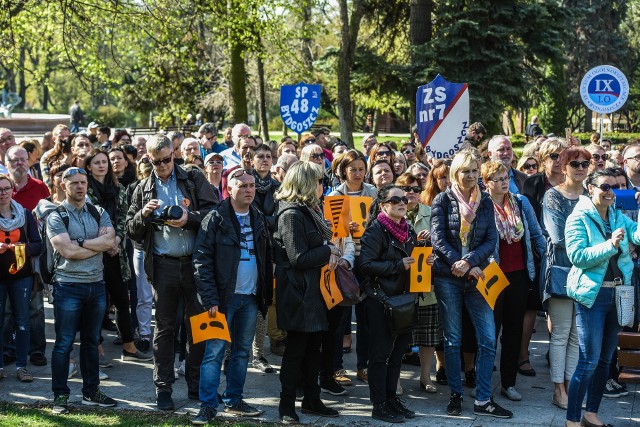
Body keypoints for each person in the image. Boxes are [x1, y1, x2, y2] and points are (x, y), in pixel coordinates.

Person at [126, 134, 218, 410]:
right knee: (164, 329)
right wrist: (143, 214)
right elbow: (130, 228)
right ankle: (163, 387)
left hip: (195, 264)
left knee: (199, 328)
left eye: (168, 159)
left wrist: (188, 219)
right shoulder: (143, 187)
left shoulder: (192, 178)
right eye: (158, 162)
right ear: (149, 160)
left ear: (173, 155)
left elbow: (214, 214)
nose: (164, 165)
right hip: (163, 264)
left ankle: (195, 385)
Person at [431, 150, 512, 418]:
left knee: (488, 339)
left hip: (478, 276)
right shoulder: (442, 199)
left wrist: (471, 261)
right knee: (453, 339)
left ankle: (483, 399)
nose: (471, 175)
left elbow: (491, 238)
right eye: (466, 171)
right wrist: (460, 262)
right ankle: (455, 394)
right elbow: (438, 238)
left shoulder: (485, 201)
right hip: (449, 277)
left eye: (475, 171)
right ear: (456, 172)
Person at [191, 168, 273, 424]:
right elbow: (201, 262)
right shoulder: (215, 218)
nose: (249, 190)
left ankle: (234, 399)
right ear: (230, 188)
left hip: (250, 296)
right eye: (243, 185)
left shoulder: (258, 216)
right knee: (213, 353)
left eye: (252, 185)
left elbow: (266, 256)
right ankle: (207, 405)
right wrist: (210, 299)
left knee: (241, 353)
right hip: (220, 301)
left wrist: (264, 295)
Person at [564, 168, 640, 427]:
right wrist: (610, 245)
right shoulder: (578, 218)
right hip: (592, 296)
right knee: (588, 361)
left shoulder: (618, 216)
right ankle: (572, 419)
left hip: (619, 294)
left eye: (614, 188)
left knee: (605, 361)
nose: (610, 192)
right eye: (605, 187)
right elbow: (577, 257)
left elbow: (639, 237)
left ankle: (591, 414)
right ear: (591, 189)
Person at [273, 161, 340, 423]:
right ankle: (286, 405)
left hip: (313, 290)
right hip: (298, 293)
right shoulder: (291, 214)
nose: (323, 185)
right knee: (296, 350)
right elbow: (298, 257)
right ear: (305, 184)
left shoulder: (309, 210)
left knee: (314, 349)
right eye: (319, 181)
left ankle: (312, 399)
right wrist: (329, 250)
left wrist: (327, 248)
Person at [47, 167, 118, 414]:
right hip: (68, 286)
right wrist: (96, 246)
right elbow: (68, 252)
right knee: (64, 343)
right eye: (74, 183)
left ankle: (91, 392)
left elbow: (111, 241)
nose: (80, 187)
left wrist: (81, 243)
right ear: (63, 186)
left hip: (96, 286)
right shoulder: (56, 216)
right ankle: (60, 397)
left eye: (83, 182)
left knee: (91, 342)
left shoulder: (98, 212)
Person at [482, 161, 545, 401]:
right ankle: (483, 383)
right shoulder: (482, 205)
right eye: (497, 179)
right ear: (487, 183)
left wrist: (543, 266)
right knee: (490, 332)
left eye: (505, 178)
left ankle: (508, 383)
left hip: (519, 274)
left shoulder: (520, 202)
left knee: (513, 331)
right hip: (493, 275)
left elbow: (536, 234)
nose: (503, 183)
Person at [84, 149, 150, 362]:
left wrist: (118, 240)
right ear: (89, 166)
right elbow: (87, 221)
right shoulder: (86, 190)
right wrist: (105, 242)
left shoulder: (118, 188)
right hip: (93, 253)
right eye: (97, 162)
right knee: (96, 303)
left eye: (104, 162)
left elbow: (124, 216)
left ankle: (129, 347)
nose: (102, 165)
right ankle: (97, 348)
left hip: (116, 252)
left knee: (122, 300)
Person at [360, 184, 418, 422]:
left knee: (397, 355)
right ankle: (379, 404)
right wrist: (398, 266)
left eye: (403, 198)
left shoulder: (408, 229)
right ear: (383, 205)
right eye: (395, 200)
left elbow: (413, 261)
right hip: (381, 300)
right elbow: (364, 266)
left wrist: (425, 258)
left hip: (403, 300)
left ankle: (391, 398)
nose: (401, 202)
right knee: (380, 355)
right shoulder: (375, 230)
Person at [542, 145, 591, 409]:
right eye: (575, 164)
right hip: (561, 271)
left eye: (585, 163)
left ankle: (571, 384)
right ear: (564, 166)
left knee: (576, 336)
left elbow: (606, 229)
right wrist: (591, 244)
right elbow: (559, 236)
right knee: (561, 333)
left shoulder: (591, 195)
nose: (581, 168)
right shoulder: (552, 197)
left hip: (587, 274)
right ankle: (558, 388)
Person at [329, 150, 377, 385]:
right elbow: (331, 230)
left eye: (361, 169)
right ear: (343, 171)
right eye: (353, 169)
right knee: (341, 316)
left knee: (367, 316)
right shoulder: (335, 195)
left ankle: (364, 366)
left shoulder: (374, 193)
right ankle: (336, 367)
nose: (358, 174)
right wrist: (345, 226)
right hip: (345, 261)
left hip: (368, 259)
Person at [1, 146, 49, 369]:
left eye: (23, 159)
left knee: (35, 308)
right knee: (9, 310)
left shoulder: (39, 187)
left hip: (30, 262)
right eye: (14, 160)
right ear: (6, 162)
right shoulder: (2, 187)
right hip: (4, 267)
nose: (19, 163)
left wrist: (27, 248)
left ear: (29, 161)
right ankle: (9, 350)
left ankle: (37, 350)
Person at [396, 172, 442, 394]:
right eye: (406, 189)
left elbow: (442, 246)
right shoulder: (392, 215)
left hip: (426, 284)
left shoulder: (431, 213)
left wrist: (434, 253)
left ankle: (426, 377)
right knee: (398, 334)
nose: (411, 193)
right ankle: (395, 379)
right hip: (400, 285)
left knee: (428, 333)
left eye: (415, 189)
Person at [0, 174, 42, 382]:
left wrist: (19, 248)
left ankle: (21, 366)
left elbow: (38, 245)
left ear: (12, 190)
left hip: (21, 276)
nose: (3, 193)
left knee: (23, 321)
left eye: (6, 188)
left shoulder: (24, 214)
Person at [248, 144, 280, 373]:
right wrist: (267, 219)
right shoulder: (244, 183)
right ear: (251, 160)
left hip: (271, 249)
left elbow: (279, 218)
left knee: (263, 300)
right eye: (260, 156)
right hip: (248, 248)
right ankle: (233, 352)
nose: (265, 160)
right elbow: (250, 216)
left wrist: (266, 219)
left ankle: (259, 353)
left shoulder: (279, 187)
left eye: (269, 156)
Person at [522, 138, 565, 222]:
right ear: (543, 159)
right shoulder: (532, 183)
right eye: (554, 156)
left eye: (563, 156)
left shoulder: (572, 181)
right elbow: (529, 217)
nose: (559, 160)